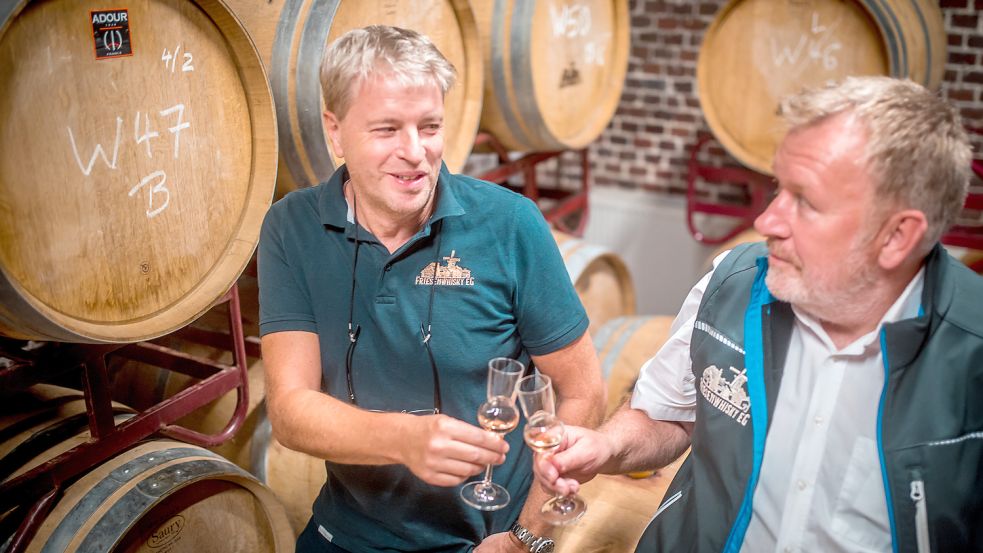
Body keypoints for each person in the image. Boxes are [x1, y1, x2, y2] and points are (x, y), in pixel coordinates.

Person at [535, 76, 982, 552]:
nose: (766, 221)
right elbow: (668, 414)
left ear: (896, 237)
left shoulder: (969, 352)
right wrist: (607, 446)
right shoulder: (733, 282)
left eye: (805, 202)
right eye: (778, 188)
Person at [257, 25, 604, 553]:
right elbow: (289, 410)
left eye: (430, 126)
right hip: (348, 533)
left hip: (489, 540)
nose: (415, 152)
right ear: (334, 131)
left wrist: (527, 537)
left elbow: (583, 391)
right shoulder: (291, 226)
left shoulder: (510, 224)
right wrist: (404, 438)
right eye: (387, 129)